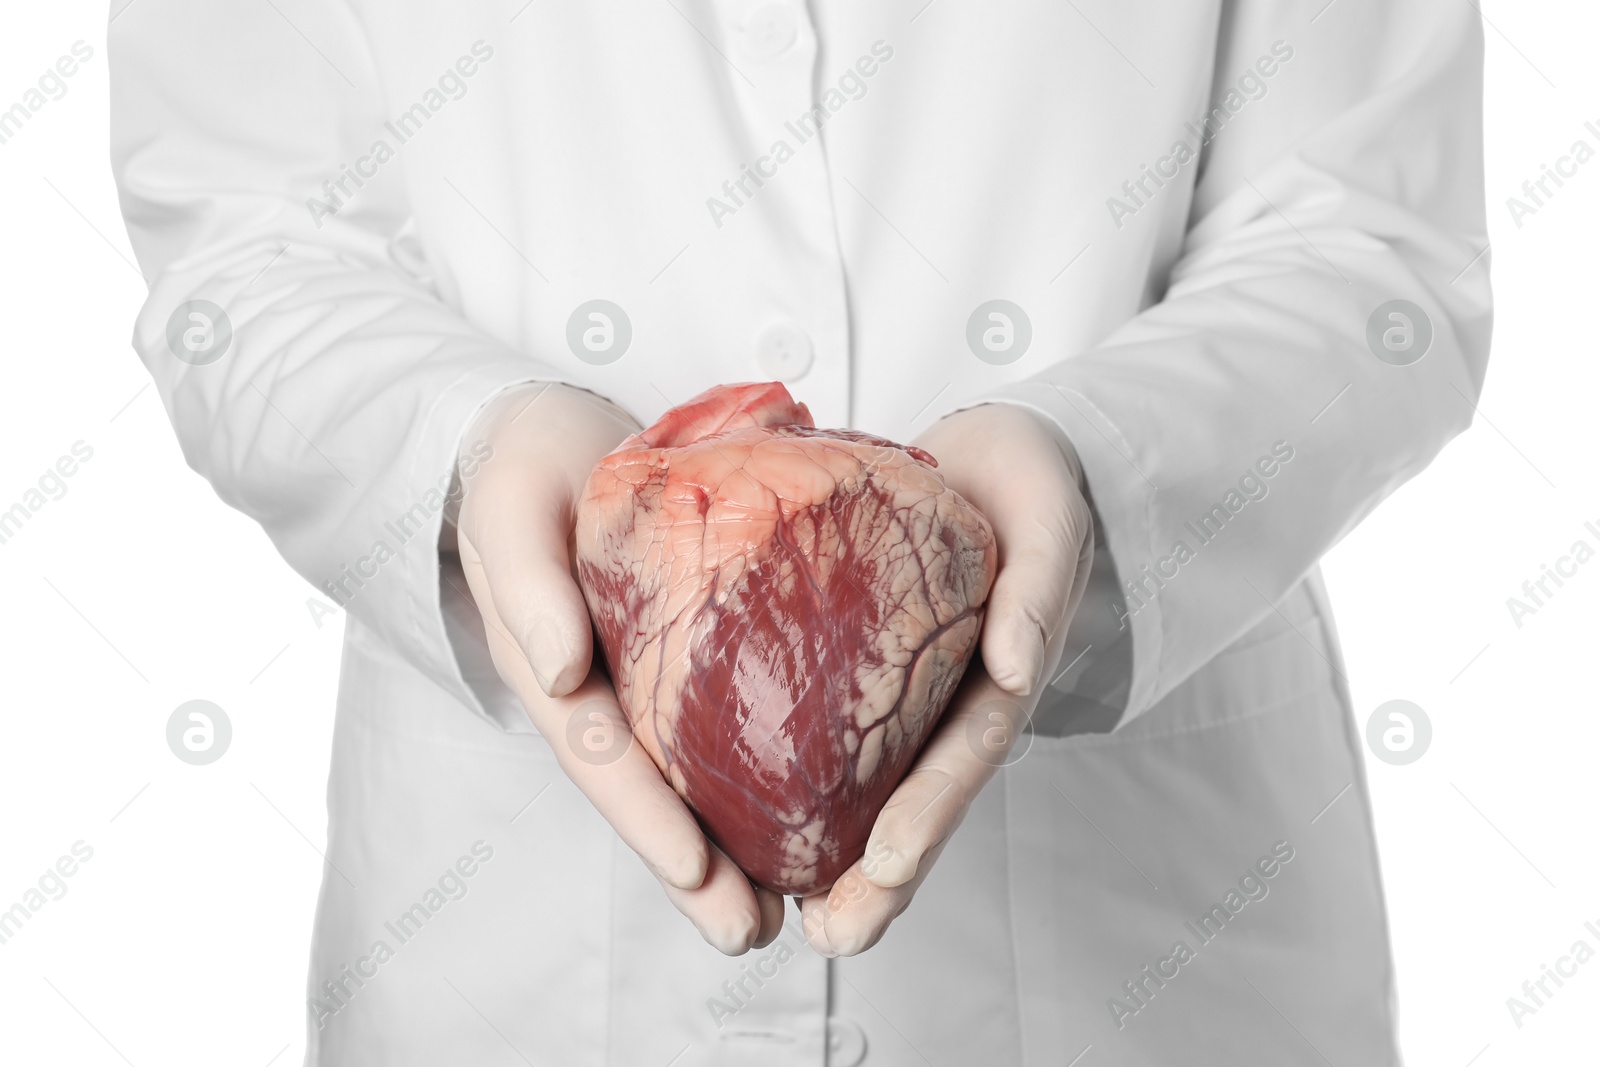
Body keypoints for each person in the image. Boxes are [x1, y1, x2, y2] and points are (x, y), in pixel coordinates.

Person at [110, 1, 1490, 1063]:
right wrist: (462, 454)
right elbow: (250, 232)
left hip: (1140, 959)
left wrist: (1093, 474)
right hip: (503, 955)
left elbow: (1364, 244)